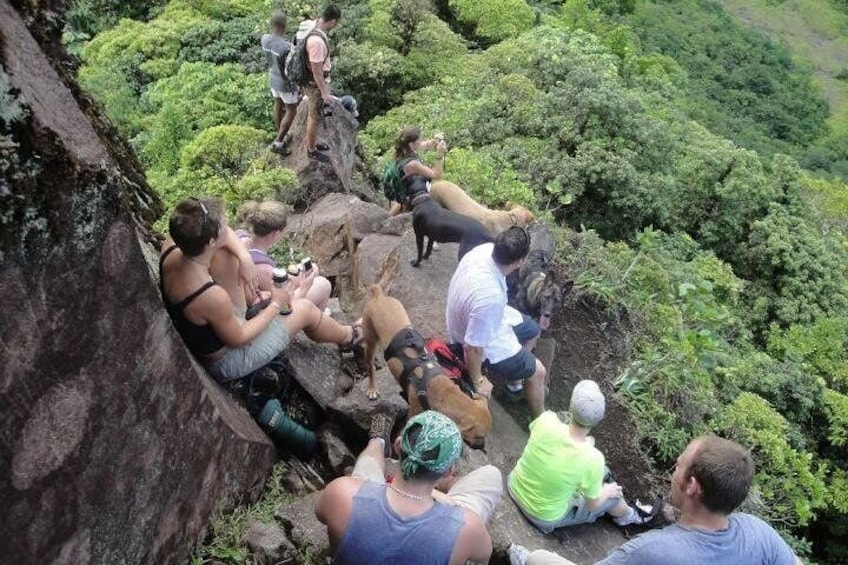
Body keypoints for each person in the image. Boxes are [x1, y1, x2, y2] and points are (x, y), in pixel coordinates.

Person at [508, 436, 803, 565]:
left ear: (693, 486)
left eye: (679, 466)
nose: (673, 468)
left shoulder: (654, 551)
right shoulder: (759, 533)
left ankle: (519, 557)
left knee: (537, 558)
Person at [159, 196, 361, 384]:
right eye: (222, 222)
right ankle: (349, 337)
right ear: (210, 241)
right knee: (305, 309)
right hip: (228, 359)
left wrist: (245, 259)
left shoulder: (173, 243)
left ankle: (257, 305)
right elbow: (238, 338)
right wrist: (275, 303)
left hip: (220, 319)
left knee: (228, 253)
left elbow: (227, 235)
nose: (228, 223)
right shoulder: (210, 296)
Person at [314, 411, 502, 564]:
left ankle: (377, 442)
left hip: (373, 498)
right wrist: (448, 505)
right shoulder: (467, 527)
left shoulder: (342, 493)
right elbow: (483, 556)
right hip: (446, 518)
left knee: (365, 472)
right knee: (491, 474)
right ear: (449, 470)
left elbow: (320, 514)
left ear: (398, 445)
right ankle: (436, 484)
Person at [508, 380, 659, 534]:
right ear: (598, 420)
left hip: (513, 485)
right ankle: (631, 516)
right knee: (613, 496)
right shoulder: (593, 458)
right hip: (541, 516)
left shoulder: (546, 419)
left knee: (594, 474)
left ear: (570, 407)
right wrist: (606, 492)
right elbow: (592, 506)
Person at [445, 226, 547, 415]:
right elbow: (472, 347)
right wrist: (479, 381)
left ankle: (515, 382)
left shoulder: (481, 250)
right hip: (471, 334)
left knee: (533, 330)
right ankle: (540, 419)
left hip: (479, 316)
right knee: (539, 371)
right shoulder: (490, 298)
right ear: (520, 261)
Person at [236, 200, 331, 310]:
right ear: (276, 234)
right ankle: (312, 320)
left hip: (254, 294)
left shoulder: (239, 236)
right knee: (323, 284)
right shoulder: (264, 269)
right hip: (265, 311)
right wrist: (305, 287)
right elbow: (284, 302)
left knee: (313, 269)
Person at [303, 5, 341, 161]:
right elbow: (316, 71)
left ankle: (313, 143)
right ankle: (311, 150)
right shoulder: (317, 42)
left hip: (314, 82)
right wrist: (324, 92)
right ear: (332, 21)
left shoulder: (314, 25)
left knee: (315, 115)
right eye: (336, 23)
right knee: (314, 117)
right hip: (315, 85)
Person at [261, 11, 300, 155]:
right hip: (285, 84)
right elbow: (291, 69)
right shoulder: (286, 47)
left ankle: (281, 133)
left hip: (273, 78)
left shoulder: (264, 39)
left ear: (271, 24)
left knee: (277, 104)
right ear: (285, 26)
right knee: (291, 110)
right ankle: (278, 143)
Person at [388, 125, 447, 216]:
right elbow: (436, 175)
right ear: (411, 144)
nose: (422, 141)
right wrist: (440, 155)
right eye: (420, 139)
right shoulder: (413, 165)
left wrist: (434, 141)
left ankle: (390, 216)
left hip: (403, 188)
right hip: (410, 194)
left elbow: (423, 145)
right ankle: (392, 216)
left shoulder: (404, 149)